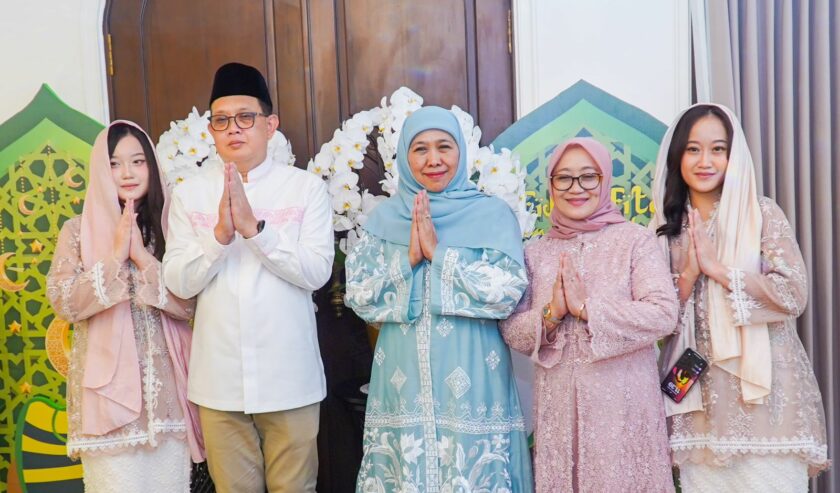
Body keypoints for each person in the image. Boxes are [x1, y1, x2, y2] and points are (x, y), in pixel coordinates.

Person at [162, 62, 334, 492]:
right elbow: (179, 283)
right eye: (221, 120)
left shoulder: (305, 189)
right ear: (212, 130)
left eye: (245, 117)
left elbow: (316, 272)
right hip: (220, 382)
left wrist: (257, 232)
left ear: (270, 124)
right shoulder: (189, 194)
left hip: (289, 377)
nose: (233, 129)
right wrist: (219, 236)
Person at [345, 106, 534, 492]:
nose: (434, 160)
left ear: (461, 153)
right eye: (420, 149)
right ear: (405, 157)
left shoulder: (493, 216)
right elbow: (360, 296)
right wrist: (408, 259)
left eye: (444, 147)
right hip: (402, 381)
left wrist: (440, 255)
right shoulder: (384, 221)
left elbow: (506, 293)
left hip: (473, 376)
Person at [651, 103, 830, 491]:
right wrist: (690, 274)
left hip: (766, 397)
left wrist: (720, 272)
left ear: (735, 156)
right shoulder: (663, 229)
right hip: (698, 402)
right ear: (677, 155)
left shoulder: (762, 214)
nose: (706, 160)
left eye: (718, 149)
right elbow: (656, 319)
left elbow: (793, 293)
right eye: (693, 149)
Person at [499, 137, 678, 492]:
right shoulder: (535, 253)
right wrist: (551, 314)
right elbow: (512, 330)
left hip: (623, 413)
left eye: (588, 176)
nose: (575, 188)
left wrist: (586, 310)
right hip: (560, 415)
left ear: (605, 179)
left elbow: (662, 313)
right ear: (550, 185)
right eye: (563, 178)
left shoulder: (634, 241)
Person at [46, 121, 203, 492]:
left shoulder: (173, 229)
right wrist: (115, 257)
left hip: (169, 403)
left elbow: (191, 304)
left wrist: (143, 258)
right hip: (108, 407)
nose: (127, 173)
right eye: (114, 164)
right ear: (100, 170)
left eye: (137, 161)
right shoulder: (76, 232)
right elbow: (65, 302)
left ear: (152, 165)